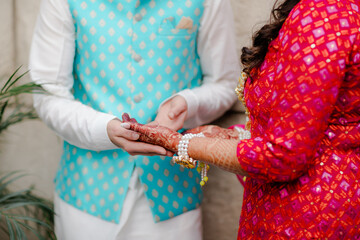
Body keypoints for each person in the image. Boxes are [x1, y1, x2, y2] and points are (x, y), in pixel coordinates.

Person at [126, 0, 360, 238]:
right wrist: (235, 135)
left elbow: (283, 155)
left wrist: (179, 143)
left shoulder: (323, 15)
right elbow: (324, 126)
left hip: (305, 219)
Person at [29, 0, 240, 239]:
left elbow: (224, 83)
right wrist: (103, 129)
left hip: (174, 192)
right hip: (86, 193)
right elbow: (48, 93)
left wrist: (188, 103)